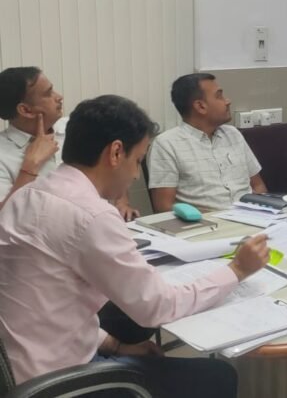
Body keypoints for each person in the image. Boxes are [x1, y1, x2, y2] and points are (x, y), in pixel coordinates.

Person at [0, 95, 271, 396]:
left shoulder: (29, 194)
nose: (134, 174)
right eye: (138, 161)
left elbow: (49, 306)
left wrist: (115, 344)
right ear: (116, 152)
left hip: (22, 367)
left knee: (135, 333)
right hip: (60, 384)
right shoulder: (92, 214)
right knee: (217, 376)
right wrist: (237, 270)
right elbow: (158, 307)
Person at [0, 67, 138, 219]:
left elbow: (114, 160)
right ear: (26, 110)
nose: (59, 97)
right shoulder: (2, 154)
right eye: (48, 93)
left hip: (100, 221)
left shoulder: (76, 127)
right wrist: (30, 166)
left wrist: (122, 201)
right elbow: (4, 217)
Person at [147, 73, 267, 212]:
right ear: (200, 106)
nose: (228, 101)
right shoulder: (166, 144)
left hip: (252, 217)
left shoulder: (233, 134)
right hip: (205, 223)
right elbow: (164, 208)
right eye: (219, 96)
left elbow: (258, 186)